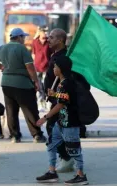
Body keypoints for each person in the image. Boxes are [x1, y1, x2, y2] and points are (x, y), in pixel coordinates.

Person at [0, 28, 47, 143]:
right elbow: (30, 68)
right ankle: (37, 135)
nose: (24, 39)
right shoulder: (21, 49)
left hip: (6, 84)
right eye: (23, 37)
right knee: (30, 110)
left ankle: (15, 136)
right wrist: (36, 82)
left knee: (11, 110)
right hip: (22, 84)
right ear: (18, 37)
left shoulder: (3, 48)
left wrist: (1, 67)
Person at [35, 56, 89, 185]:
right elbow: (64, 98)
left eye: (55, 67)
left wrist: (45, 117)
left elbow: (61, 104)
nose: (53, 69)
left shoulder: (67, 83)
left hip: (70, 124)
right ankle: (52, 172)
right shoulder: (63, 83)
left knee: (74, 150)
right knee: (51, 145)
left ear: (61, 69)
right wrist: (54, 95)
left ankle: (80, 176)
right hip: (61, 123)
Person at [44, 28, 90, 173]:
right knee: (60, 130)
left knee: (55, 130)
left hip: (62, 102)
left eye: (51, 37)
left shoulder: (66, 57)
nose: (48, 39)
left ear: (60, 40)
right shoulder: (56, 55)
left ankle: (67, 159)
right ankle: (69, 159)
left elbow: (74, 79)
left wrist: (57, 94)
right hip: (57, 99)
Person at [32, 27, 52, 111]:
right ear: (39, 34)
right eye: (44, 31)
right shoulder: (35, 42)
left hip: (46, 67)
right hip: (37, 67)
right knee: (38, 86)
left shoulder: (49, 42)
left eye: (47, 32)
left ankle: (48, 101)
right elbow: (33, 53)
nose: (46, 33)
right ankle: (40, 103)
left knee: (46, 85)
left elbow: (52, 53)